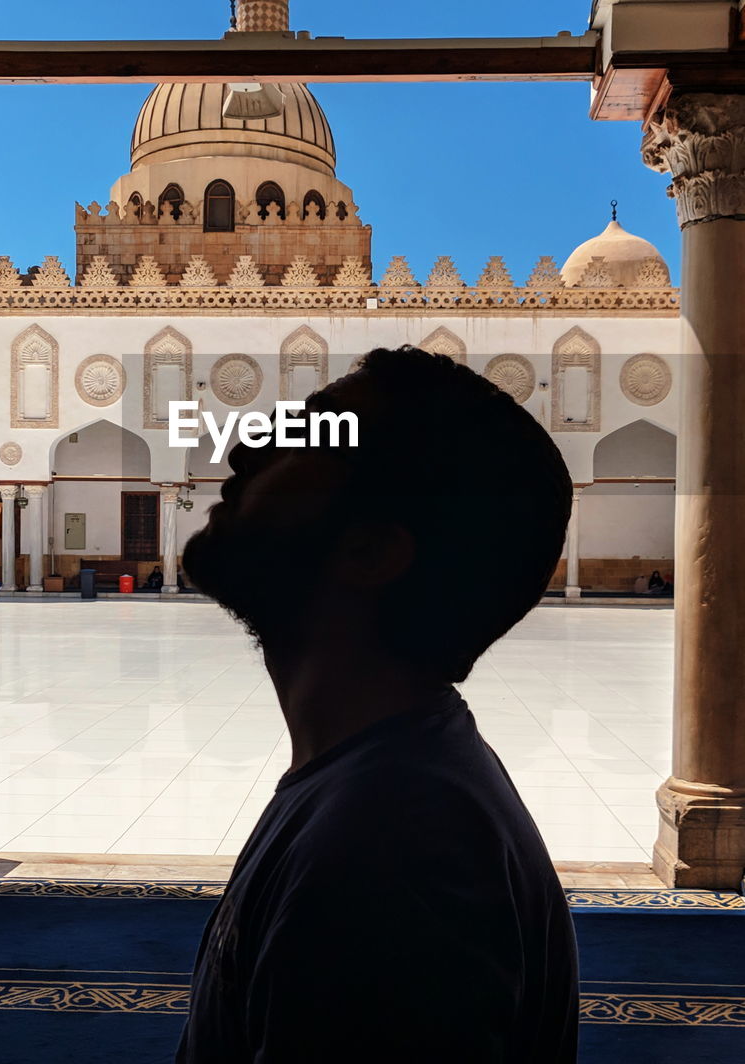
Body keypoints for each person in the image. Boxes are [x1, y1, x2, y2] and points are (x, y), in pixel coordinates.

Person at [178, 347, 578, 1063]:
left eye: (312, 435)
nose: (246, 450)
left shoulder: (392, 851)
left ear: (369, 553)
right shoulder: (382, 779)